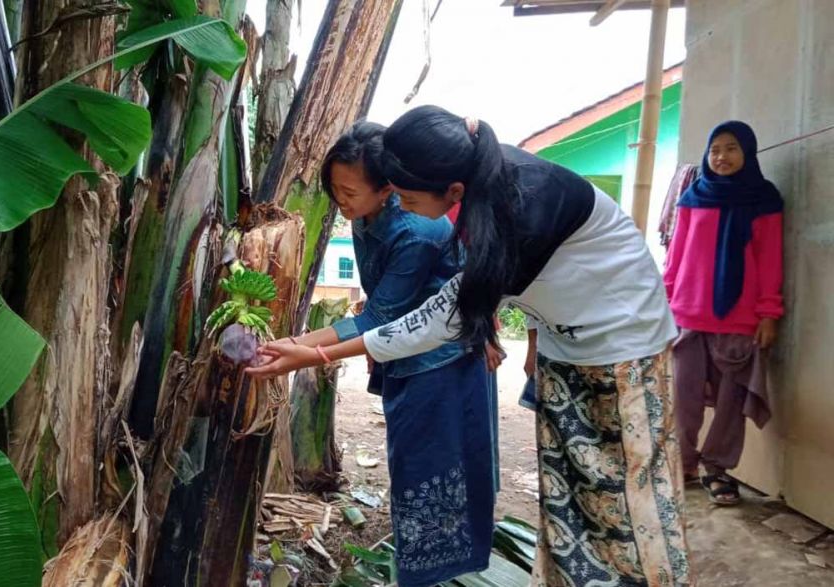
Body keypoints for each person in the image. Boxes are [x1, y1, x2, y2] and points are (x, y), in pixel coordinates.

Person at [249, 105, 693, 586]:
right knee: (571, 496)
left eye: (407, 197)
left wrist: (316, 353)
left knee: (631, 500)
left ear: (452, 191)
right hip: (568, 349)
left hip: (624, 347)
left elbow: (440, 318)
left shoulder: (518, 209)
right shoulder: (478, 187)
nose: (401, 206)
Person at [285, 121, 501, 586]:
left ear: (387, 189)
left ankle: (436, 573)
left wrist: (300, 348)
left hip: (441, 364)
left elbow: (377, 318)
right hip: (404, 355)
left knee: (436, 473)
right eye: (334, 190)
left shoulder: (417, 230)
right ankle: (425, 570)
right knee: (414, 471)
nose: (340, 202)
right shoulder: (365, 217)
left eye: (349, 192)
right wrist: (297, 343)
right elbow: (382, 313)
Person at [664, 120, 783, 506]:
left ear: (747, 152)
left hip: (739, 319)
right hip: (688, 315)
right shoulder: (692, 198)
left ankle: (718, 470)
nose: (721, 157)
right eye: (715, 149)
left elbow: (769, 261)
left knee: (731, 404)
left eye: (731, 148)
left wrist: (769, 313)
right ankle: (682, 465)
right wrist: (663, 306)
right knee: (683, 399)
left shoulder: (763, 199)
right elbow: (675, 258)